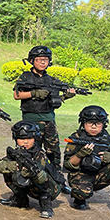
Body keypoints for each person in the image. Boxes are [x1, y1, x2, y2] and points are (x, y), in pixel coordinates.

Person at [13, 46, 75, 187]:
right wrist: (34, 93)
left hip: (49, 120)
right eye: (40, 59)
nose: (43, 62)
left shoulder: (52, 80)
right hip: (30, 121)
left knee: (53, 153)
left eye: (46, 60)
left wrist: (66, 96)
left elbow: (54, 101)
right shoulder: (25, 77)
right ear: (32, 60)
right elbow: (17, 95)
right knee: (29, 151)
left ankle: (57, 182)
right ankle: (25, 181)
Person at [64, 105, 110, 220]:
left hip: (99, 175)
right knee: (82, 193)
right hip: (81, 175)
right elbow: (68, 165)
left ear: (104, 124)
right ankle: (79, 199)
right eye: (90, 123)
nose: (94, 127)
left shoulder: (106, 138)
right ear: (83, 123)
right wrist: (80, 155)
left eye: (98, 123)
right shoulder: (76, 138)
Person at [0, 121, 61, 219]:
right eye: (21, 138)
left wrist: (29, 173)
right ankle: (20, 200)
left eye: (29, 138)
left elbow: (42, 178)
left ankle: (46, 205)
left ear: (35, 138)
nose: (25, 142)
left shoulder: (40, 154)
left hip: (50, 189)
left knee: (42, 177)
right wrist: (10, 166)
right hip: (30, 186)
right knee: (8, 171)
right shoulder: (17, 152)